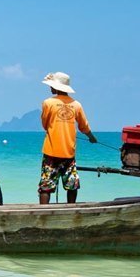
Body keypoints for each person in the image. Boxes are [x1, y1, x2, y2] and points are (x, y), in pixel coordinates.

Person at [38, 71, 97, 204]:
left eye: (52, 85)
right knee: (72, 184)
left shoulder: (48, 103)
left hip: (51, 151)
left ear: (56, 87)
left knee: (46, 185)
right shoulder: (76, 104)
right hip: (68, 152)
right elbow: (84, 126)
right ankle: (71, 209)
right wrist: (91, 137)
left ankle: (43, 213)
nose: (50, 88)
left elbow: (45, 124)